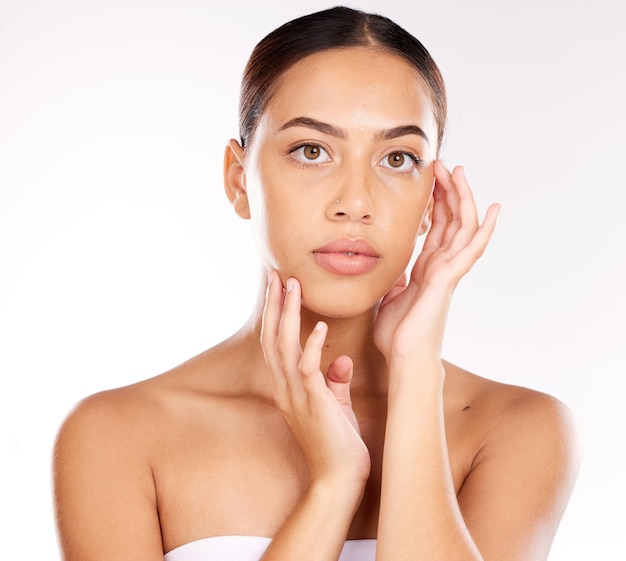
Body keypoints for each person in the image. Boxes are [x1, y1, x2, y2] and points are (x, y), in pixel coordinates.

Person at [53, 6, 580, 561]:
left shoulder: (519, 430)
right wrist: (333, 485)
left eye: (397, 158)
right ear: (239, 181)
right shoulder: (115, 438)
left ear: (432, 198)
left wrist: (416, 373)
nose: (355, 203)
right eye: (311, 151)